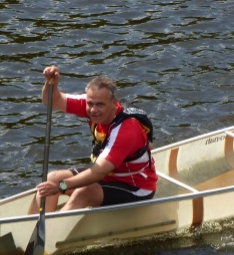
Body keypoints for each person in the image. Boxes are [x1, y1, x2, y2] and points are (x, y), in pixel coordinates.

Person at [29, 66, 158, 213]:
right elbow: (52, 100)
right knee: (52, 178)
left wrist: (62, 186)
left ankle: (54, 232)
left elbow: (98, 172)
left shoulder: (126, 130)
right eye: (90, 104)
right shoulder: (88, 105)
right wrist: (51, 83)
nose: (93, 110)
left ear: (114, 103)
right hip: (109, 177)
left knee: (84, 191)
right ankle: (31, 226)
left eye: (100, 105)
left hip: (136, 188)